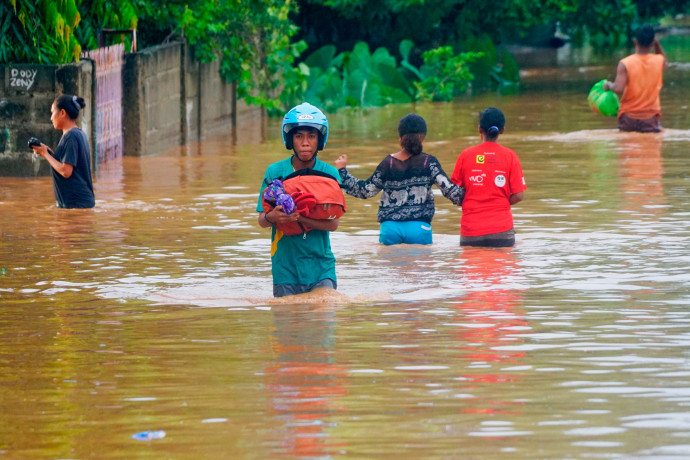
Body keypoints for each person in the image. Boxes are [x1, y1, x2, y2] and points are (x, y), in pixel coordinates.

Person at [335, 113, 464, 245]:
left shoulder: (388, 163)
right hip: (418, 228)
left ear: (400, 137)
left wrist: (342, 171)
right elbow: (451, 191)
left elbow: (365, 191)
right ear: (422, 137)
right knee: (421, 265)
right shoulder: (428, 162)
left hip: (390, 229)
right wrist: (475, 195)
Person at [257, 102, 341, 298]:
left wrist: (300, 219)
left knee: (323, 320)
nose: (305, 143)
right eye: (299, 136)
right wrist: (272, 217)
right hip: (285, 268)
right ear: (290, 140)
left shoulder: (330, 173)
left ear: (319, 140)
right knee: (289, 326)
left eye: (311, 136)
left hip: (321, 266)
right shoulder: (274, 172)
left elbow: (333, 224)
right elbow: (262, 221)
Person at [450, 107, 526, 247]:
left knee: (471, 268)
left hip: (471, 230)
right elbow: (519, 195)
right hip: (501, 229)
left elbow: (453, 191)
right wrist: (499, 204)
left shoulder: (465, 155)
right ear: (502, 130)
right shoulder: (510, 156)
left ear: (479, 129)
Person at [30, 94, 95, 208]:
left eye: (52, 112)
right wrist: (48, 152)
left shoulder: (70, 137)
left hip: (76, 205)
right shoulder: (78, 133)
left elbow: (66, 171)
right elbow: (70, 167)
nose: (51, 118)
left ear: (62, 113)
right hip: (80, 204)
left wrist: (45, 154)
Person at [603, 24, 668, 133]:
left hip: (628, 117)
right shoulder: (658, 60)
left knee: (628, 147)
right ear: (652, 43)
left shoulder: (625, 63)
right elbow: (665, 64)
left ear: (635, 41)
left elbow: (618, 88)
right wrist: (657, 45)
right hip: (650, 118)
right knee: (650, 148)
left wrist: (609, 85)